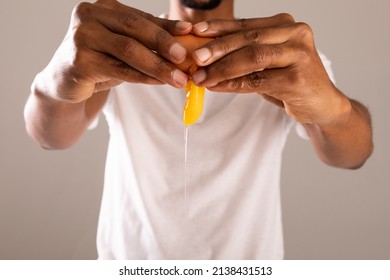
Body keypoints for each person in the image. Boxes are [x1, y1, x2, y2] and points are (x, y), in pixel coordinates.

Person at [24, 0, 373, 259]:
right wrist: (55, 83)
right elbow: (53, 136)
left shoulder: (286, 58)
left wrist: (332, 108)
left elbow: (352, 153)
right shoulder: (116, 45)